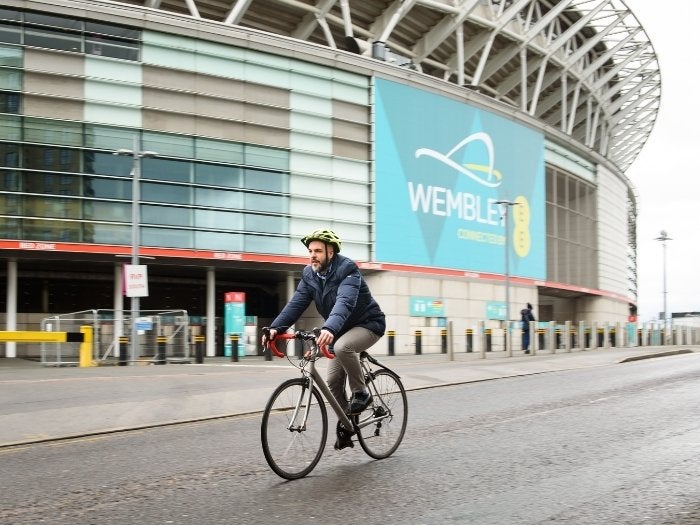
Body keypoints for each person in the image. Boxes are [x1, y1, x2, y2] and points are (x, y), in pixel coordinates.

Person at [263, 229, 386, 450]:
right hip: (339, 328)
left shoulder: (348, 270)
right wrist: (275, 328)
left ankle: (361, 393)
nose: (312, 255)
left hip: (368, 324)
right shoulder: (310, 275)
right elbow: (295, 305)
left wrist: (329, 328)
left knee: (343, 346)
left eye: (318, 251)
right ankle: (349, 425)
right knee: (332, 382)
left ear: (331, 252)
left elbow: (344, 302)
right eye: (310, 251)